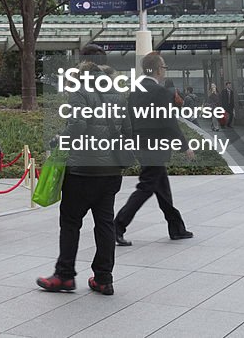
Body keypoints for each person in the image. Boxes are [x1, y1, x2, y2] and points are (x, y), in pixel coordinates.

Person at [37, 45, 125, 296]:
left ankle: (64, 275)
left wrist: (59, 140)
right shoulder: (117, 91)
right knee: (105, 223)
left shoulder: (81, 88)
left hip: (84, 169)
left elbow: (77, 126)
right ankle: (104, 278)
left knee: (71, 221)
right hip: (110, 169)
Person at [115, 52, 194, 247]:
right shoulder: (160, 92)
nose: (165, 71)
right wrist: (185, 146)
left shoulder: (136, 90)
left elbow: (130, 119)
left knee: (161, 186)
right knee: (147, 186)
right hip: (155, 146)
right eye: (164, 67)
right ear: (158, 69)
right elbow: (169, 122)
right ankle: (117, 226)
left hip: (142, 145)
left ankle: (176, 227)